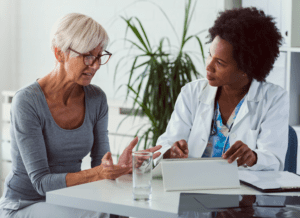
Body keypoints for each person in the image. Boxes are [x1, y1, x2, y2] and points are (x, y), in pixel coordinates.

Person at [0, 13, 161, 218]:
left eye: (99, 56)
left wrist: (119, 168)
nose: (95, 65)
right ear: (60, 54)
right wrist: (100, 172)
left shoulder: (96, 99)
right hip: (24, 204)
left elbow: (100, 166)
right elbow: (41, 183)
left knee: (118, 213)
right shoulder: (27, 101)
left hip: (71, 200)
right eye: (87, 56)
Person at [154, 7, 288, 171]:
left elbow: (274, 159)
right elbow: (165, 144)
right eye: (210, 55)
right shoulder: (191, 93)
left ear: (246, 68)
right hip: (191, 187)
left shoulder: (274, 99)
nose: (208, 66)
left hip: (244, 192)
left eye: (220, 63)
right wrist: (171, 151)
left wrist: (253, 158)